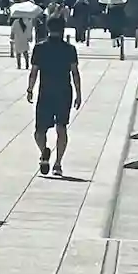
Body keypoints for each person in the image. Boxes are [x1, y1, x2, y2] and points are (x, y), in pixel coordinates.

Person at [27, 16, 82, 178]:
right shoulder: (69, 49)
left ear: (48, 28)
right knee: (61, 128)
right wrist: (78, 94)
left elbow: (34, 72)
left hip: (45, 92)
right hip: (64, 92)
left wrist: (30, 89)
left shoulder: (40, 48)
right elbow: (75, 72)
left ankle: (44, 151)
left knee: (39, 131)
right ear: (63, 29)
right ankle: (58, 164)